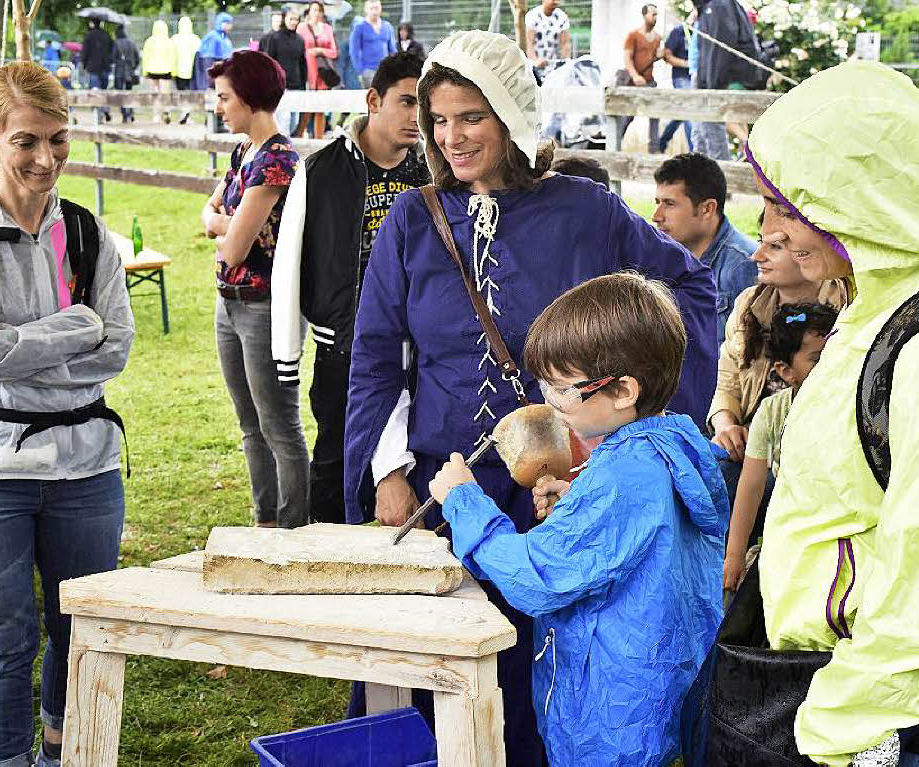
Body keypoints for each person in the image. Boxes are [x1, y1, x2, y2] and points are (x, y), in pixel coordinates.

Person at [343, 30, 717, 766]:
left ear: (511, 115)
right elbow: (377, 357)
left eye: (471, 117)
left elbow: (691, 285)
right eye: (438, 120)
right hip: (441, 486)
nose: (451, 138)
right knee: (425, 670)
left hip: (558, 488)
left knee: (540, 667)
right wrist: (387, 473)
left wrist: (633, 430)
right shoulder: (414, 219)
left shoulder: (587, 210)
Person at [738, 61, 919, 766]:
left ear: (861, 199)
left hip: (909, 717)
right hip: (854, 689)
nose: (773, 230)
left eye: (789, 207)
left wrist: (842, 725)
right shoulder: (878, 298)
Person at [428, 273, 727, 766]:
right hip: (654, 692)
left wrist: (464, 502)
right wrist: (575, 506)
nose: (549, 402)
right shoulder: (662, 449)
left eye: (562, 388)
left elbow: (538, 577)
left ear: (624, 390)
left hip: (613, 718)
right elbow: (633, 543)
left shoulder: (624, 473)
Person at [0, 61, 134, 767]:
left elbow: (117, 346)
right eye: (26, 141)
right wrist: (77, 325)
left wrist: (15, 341)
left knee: (80, 628)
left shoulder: (88, 233)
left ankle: (64, 750)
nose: (45, 158)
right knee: (4, 642)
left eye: (58, 139)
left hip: (87, 467)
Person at [272, 52, 427, 526]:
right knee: (336, 456)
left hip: (418, 349)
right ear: (373, 99)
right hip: (342, 347)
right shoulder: (321, 171)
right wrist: (287, 353)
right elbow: (289, 261)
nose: (416, 117)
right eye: (406, 102)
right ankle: (327, 548)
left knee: (413, 458)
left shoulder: (431, 174)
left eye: (424, 105)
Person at [201, 50, 310, 531]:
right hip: (228, 306)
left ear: (249, 97)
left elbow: (234, 249)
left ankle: (292, 530)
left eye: (225, 97)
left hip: (265, 309)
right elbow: (212, 216)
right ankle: (264, 524)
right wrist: (225, 223)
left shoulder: (277, 160)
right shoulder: (243, 152)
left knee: (278, 426)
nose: (220, 106)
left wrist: (224, 227)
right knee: (250, 427)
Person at [706, 217, 847, 532]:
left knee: (732, 487)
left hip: (798, 452)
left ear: (806, 252)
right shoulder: (750, 303)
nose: (757, 255)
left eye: (775, 247)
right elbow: (727, 376)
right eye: (760, 242)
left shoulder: (842, 309)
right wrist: (726, 423)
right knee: (700, 469)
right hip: (750, 438)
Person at [722, 302, 837, 591]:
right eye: (818, 358)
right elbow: (751, 487)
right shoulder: (772, 412)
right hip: (790, 527)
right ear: (785, 371)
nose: (833, 365)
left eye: (839, 354)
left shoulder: (850, 405)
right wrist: (735, 556)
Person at [652, 152, 757, 342]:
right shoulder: (664, 255)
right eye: (657, 202)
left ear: (707, 209)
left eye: (669, 204)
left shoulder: (743, 265)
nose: (656, 216)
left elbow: (747, 356)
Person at [693, 0, 764, 160]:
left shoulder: (717, 5)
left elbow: (720, 48)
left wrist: (712, 87)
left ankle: (719, 176)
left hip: (725, 78)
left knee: (714, 129)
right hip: (717, 77)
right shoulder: (712, 6)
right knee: (702, 131)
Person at [618, 4, 662, 150]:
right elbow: (627, 58)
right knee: (627, 117)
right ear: (644, 15)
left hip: (649, 82)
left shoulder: (657, 38)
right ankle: (615, 145)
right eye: (652, 14)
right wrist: (635, 75)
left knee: (655, 113)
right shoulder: (633, 35)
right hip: (633, 82)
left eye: (656, 14)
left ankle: (654, 148)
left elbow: (653, 58)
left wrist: (660, 56)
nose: (655, 17)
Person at [260, 7, 306, 137]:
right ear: (284, 19)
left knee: (294, 122)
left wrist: (303, 84)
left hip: (296, 86)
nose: (293, 22)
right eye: (291, 19)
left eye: (296, 19)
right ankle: (282, 155)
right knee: (283, 122)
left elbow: (302, 64)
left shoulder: (300, 40)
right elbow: (269, 62)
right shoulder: (274, 38)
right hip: (280, 87)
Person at [298, 1, 338, 139]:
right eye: (314, 10)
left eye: (319, 10)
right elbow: (298, 49)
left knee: (320, 107)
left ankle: (318, 140)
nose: (317, 13)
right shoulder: (302, 28)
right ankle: (298, 136)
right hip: (307, 71)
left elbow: (334, 52)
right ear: (309, 11)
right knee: (307, 108)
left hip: (323, 71)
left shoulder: (327, 28)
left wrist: (319, 50)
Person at [658, 19, 693, 152]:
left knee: (682, 113)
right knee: (689, 112)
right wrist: (687, 64)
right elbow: (667, 56)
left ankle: (661, 142)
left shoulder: (702, 31)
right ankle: (693, 151)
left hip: (696, 78)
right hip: (682, 77)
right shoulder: (678, 31)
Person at [349, 0, 395, 88]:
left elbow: (392, 50)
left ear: (380, 9)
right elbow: (354, 51)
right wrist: (360, 71)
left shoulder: (387, 26)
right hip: (368, 70)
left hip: (385, 70)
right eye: (371, 8)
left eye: (377, 8)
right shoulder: (359, 27)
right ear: (366, 10)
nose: (374, 11)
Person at [525, 0, 570, 79]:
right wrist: (535, 62)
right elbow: (529, 43)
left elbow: (564, 43)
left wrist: (567, 62)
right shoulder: (533, 15)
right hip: (536, 64)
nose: (555, 2)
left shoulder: (562, 17)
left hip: (554, 65)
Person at [142, 20, 176, 124]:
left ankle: (156, 115)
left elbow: (145, 58)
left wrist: (145, 72)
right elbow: (173, 58)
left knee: (155, 93)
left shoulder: (149, 41)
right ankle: (166, 111)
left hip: (152, 71)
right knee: (165, 93)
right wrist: (174, 73)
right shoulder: (169, 42)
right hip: (166, 71)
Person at [80, 18, 113, 122]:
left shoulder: (89, 36)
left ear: (92, 23)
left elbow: (84, 52)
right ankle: (104, 109)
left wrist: (84, 65)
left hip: (93, 68)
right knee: (103, 91)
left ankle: (98, 116)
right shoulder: (107, 35)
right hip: (105, 67)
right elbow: (112, 51)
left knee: (95, 91)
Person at [172, 16, 202, 124]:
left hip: (178, 70)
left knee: (181, 93)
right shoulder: (196, 39)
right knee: (190, 93)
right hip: (192, 71)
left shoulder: (175, 39)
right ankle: (187, 113)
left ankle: (183, 112)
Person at [197, 12, 234, 87]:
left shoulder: (223, 36)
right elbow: (208, 60)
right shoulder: (213, 36)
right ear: (223, 24)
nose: (231, 26)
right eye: (229, 23)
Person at [112, 26, 139, 123]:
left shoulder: (116, 43)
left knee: (120, 94)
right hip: (130, 73)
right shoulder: (132, 43)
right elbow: (137, 58)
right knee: (129, 93)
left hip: (119, 72)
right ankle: (130, 112)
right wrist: (133, 67)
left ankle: (124, 114)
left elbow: (113, 58)